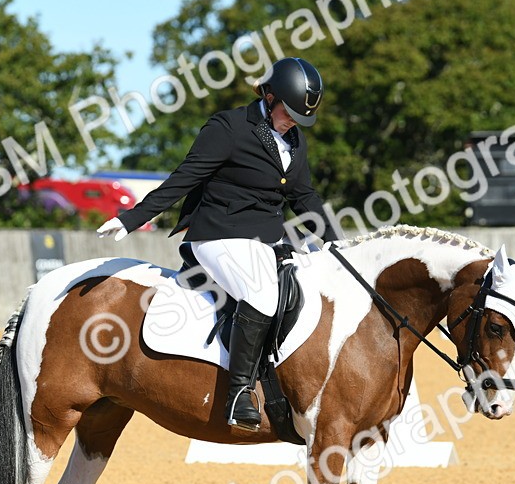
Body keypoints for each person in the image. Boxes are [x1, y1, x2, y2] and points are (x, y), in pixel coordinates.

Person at [97, 56, 342, 432]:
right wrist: (131, 218)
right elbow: (184, 178)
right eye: (289, 111)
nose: (293, 120)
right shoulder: (228, 127)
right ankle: (239, 392)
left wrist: (337, 245)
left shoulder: (295, 139)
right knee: (262, 296)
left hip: (266, 241)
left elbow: (304, 197)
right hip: (218, 234)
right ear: (269, 95)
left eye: (300, 117)